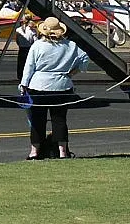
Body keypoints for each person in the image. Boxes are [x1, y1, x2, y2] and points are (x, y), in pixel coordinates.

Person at [19, 16, 89, 160]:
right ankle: (62, 152)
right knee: (59, 119)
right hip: (62, 85)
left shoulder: (37, 45)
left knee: (38, 120)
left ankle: (34, 151)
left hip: (39, 85)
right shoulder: (70, 45)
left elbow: (29, 67)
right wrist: (72, 73)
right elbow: (85, 59)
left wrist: (23, 84)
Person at [15, 14, 37, 81]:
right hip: (29, 49)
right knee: (29, 64)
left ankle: (20, 77)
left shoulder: (18, 29)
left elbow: (17, 41)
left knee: (21, 64)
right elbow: (35, 41)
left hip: (21, 48)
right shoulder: (32, 31)